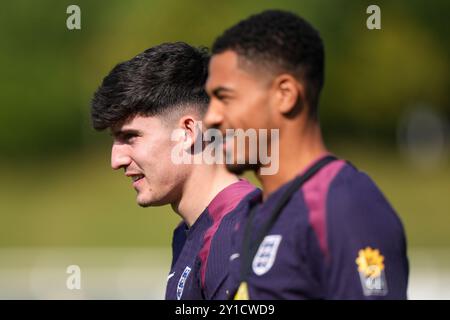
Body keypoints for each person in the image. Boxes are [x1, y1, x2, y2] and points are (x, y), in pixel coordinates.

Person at [205, 10, 409, 299]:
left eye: (224, 97)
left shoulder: (345, 204)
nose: (211, 117)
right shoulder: (251, 213)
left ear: (285, 94)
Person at [90, 42, 258, 300]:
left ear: (188, 133)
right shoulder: (188, 233)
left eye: (130, 136)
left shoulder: (240, 234)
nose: (116, 159)